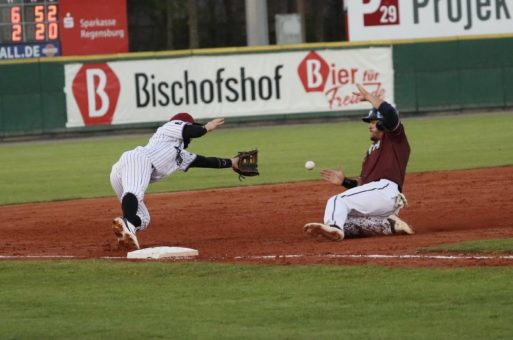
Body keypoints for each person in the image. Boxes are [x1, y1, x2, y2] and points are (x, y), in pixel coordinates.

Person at [110, 112, 240, 250]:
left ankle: (125, 231)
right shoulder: (169, 127)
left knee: (144, 218)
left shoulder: (179, 153)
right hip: (138, 159)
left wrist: (231, 162)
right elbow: (191, 131)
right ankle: (128, 225)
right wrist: (207, 127)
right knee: (135, 191)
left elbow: (204, 161)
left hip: (121, 171)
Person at [304, 84, 414, 241]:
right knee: (345, 220)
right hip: (380, 199)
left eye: (373, 122)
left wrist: (370, 98)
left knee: (336, 201)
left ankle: (335, 228)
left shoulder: (395, 139)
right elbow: (364, 185)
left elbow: (390, 114)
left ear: (383, 124)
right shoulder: (370, 153)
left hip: (386, 191)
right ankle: (389, 225)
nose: (369, 126)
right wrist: (345, 181)